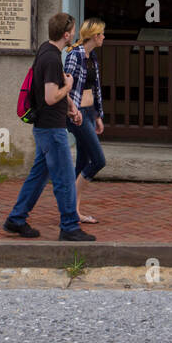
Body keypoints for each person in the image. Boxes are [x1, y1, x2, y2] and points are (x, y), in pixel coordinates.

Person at [2, 12, 95, 242]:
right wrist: (70, 86)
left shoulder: (45, 50)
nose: (74, 34)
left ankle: (16, 219)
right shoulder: (52, 58)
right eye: (73, 30)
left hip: (44, 127)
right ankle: (69, 227)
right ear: (66, 34)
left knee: (38, 176)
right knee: (63, 178)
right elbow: (51, 96)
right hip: (52, 130)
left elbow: (53, 89)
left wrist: (72, 106)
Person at [64, 18, 107, 223]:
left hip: (89, 113)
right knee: (98, 160)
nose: (104, 37)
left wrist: (98, 116)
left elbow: (95, 88)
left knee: (82, 162)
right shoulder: (76, 55)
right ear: (94, 35)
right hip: (78, 114)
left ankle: (72, 210)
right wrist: (73, 111)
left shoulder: (92, 57)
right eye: (102, 34)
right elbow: (66, 86)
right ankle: (70, 205)